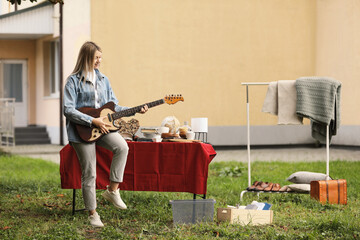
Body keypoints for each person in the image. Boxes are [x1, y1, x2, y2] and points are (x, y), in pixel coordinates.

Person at [63, 41, 148, 227]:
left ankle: (112, 190)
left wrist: (135, 110)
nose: (99, 61)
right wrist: (92, 121)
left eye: (101, 57)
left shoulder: (104, 80)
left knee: (122, 147)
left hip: (103, 129)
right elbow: (68, 109)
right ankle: (93, 214)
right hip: (81, 131)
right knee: (90, 173)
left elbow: (113, 106)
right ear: (86, 58)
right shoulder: (73, 81)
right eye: (96, 58)